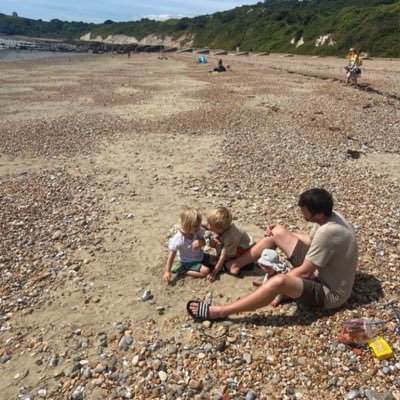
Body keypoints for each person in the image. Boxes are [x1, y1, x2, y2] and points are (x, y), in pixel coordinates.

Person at [187, 188, 358, 320]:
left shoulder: (327, 233)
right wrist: (279, 233)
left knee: (278, 281)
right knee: (277, 232)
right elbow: (311, 240)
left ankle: (220, 312)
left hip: (329, 291)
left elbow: (305, 272)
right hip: (322, 269)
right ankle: (236, 264)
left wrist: (271, 285)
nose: (301, 213)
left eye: (304, 211)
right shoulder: (330, 216)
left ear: (319, 213)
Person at [163, 208, 214, 281]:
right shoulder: (178, 239)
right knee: (206, 271)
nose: (199, 227)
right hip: (188, 261)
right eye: (196, 226)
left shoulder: (197, 230)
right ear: (187, 225)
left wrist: (201, 241)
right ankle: (184, 271)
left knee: (215, 260)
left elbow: (205, 239)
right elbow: (171, 255)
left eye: (199, 225)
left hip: (200, 256)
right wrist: (167, 271)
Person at [205, 206, 255, 282]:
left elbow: (223, 256)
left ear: (219, 229)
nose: (208, 226)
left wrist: (214, 273)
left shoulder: (230, 236)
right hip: (239, 244)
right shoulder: (226, 226)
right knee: (215, 241)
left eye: (210, 225)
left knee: (221, 254)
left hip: (245, 250)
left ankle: (234, 264)